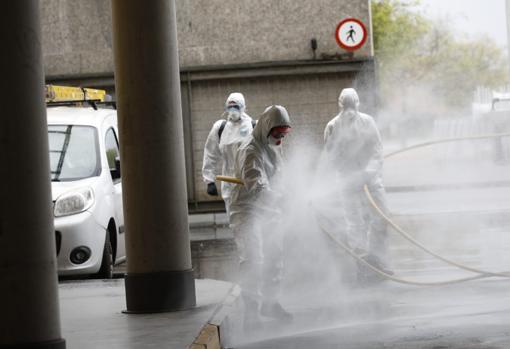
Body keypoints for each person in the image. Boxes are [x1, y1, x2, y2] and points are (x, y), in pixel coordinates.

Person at [229, 105, 293, 325]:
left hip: (270, 207)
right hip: (247, 210)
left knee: (275, 257)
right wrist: (280, 199)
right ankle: (251, 313)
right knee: (254, 259)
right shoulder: (250, 150)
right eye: (278, 134)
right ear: (266, 128)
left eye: (284, 134)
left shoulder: (272, 145)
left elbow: (280, 174)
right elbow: (258, 186)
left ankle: (270, 303)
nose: (280, 139)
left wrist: (288, 193)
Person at [323, 88, 392, 277]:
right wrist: (349, 174)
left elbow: (377, 150)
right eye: (346, 106)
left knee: (382, 217)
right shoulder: (333, 126)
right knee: (355, 223)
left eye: (352, 106)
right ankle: (363, 264)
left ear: (357, 104)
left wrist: (368, 172)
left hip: (371, 179)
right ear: (340, 106)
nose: (349, 110)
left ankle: (379, 259)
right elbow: (330, 156)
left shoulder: (368, 122)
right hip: (347, 179)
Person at [202, 92, 254, 216]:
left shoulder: (253, 126)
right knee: (234, 221)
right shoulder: (220, 128)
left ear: (243, 107)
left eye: (235, 106)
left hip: (250, 183)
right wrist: (209, 180)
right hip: (229, 184)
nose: (232, 109)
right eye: (230, 106)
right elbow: (210, 153)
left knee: (251, 221)